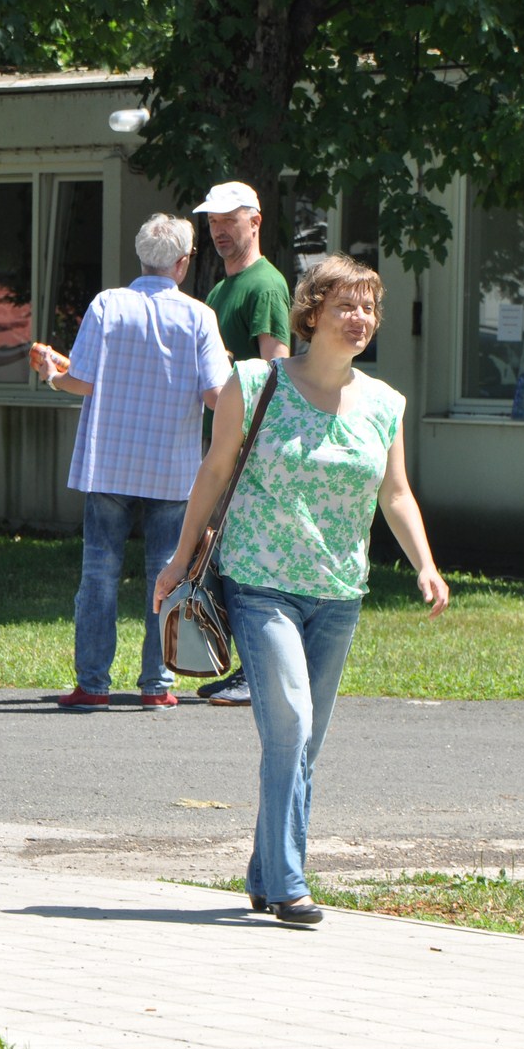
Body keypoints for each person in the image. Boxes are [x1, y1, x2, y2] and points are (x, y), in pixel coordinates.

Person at [154, 254, 448, 928]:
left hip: (339, 589)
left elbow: (396, 493)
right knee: (289, 719)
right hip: (261, 581)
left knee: (303, 742)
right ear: (311, 313)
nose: (360, 318)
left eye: (369, 307)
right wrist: (179, 558)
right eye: (345, 305)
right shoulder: (257, 382)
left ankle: (265, 872)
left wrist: (425, 565)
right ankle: (289, 882)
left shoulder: (384, 404)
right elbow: (214, 470)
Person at [38, 214, 231, 713]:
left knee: (98, 576)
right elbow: (215, 396)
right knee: (166, 574)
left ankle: (93, 684)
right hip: (173, 466)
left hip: (109, 461)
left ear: (141, 256)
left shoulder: (107, 304)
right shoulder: (199, 317)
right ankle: (156, 684)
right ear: (183, 263)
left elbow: (82, 380)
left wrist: (52, 375)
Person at [190, 180, 294, 706]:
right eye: (212, 222)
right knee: (224, 559)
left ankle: (258, 676)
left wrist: (254, 449)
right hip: (223, 445)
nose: (219, 231)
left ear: (256, 221)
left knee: (248, 565)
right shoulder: (219, 291)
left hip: (248, 450)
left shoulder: (266, 286)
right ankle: (243, 669)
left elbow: (276, 371)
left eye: (229, 220)